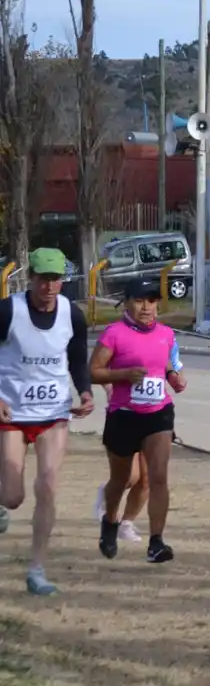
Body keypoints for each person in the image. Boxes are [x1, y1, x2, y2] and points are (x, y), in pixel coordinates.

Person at [0, 248, 93, 595]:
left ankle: (37, 570)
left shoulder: (73, 314)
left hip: (54, 414)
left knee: (49, 486)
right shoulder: (9, 310)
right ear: (31, 278)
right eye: (43, 279)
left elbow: (77, 360)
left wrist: (85, 392)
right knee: (12, 496)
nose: (50, 287)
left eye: (56, 280)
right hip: (12, 414)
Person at [92, 279, 186, 563]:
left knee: (158, 478)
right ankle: (110, 522)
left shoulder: (166, 334)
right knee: (121, 480)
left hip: (158, 413)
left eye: (152, 301)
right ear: (128, 302)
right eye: (140, 301)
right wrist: (123, 375)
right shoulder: (114, 334)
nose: (147, 307)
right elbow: (94, 371)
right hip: (123, 415)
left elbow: (167, 364)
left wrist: (173, 378)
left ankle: (156, 543)